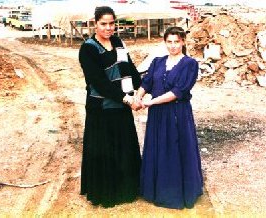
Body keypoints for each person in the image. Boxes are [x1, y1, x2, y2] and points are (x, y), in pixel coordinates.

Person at [78, 6, 142, 208]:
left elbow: (129, 69)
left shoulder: (118, 42)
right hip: (102, 109)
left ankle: (126, 190)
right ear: (95, 23)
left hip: (122, 107)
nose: (108, 28)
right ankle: (106, 193)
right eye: (103, 24)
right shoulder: (88, 48)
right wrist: (125, 99)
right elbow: (98, 82)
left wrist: (141, 91)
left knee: (123, 148)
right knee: (104, 150)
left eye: (111, 23)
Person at [136, 26, 203, 209]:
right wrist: (138, 97)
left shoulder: (190, 64)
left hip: (177, 113)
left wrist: (151, 102)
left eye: (176, 42)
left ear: (183, 42)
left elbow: (178, 91)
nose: (173, 46)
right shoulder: (158, 61)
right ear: (164, 42)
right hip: (157, 114)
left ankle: (175, 193)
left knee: (175, 149)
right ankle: (155, 190)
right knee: (158, 149)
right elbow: (147, 82)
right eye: (169, 42)